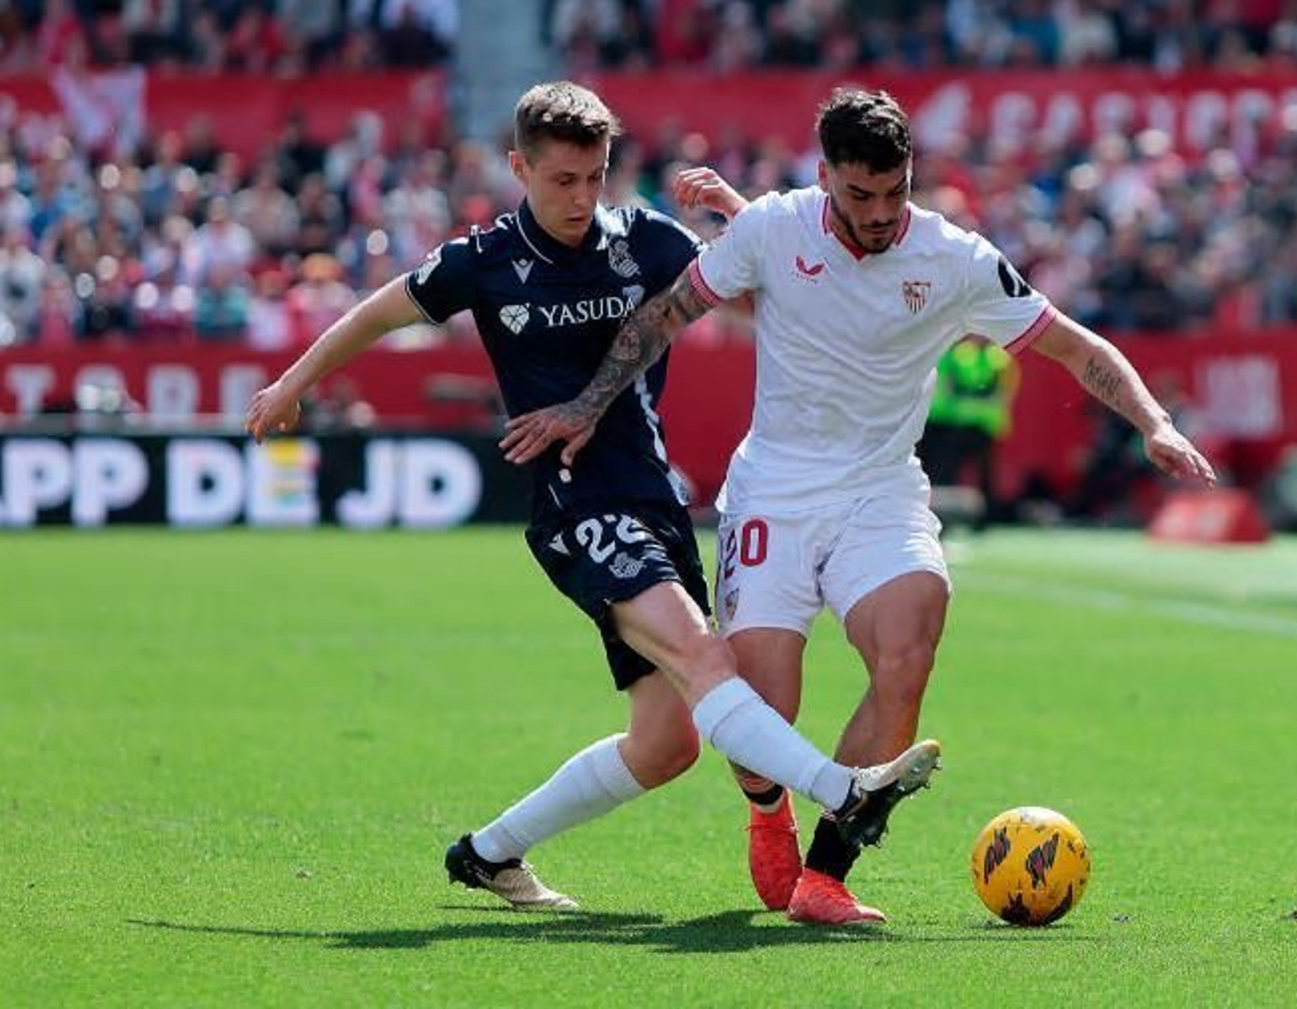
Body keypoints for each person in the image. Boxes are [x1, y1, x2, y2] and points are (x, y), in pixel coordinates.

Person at [501, 88, 1215, 923]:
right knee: (762, 711)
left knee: (910, 641)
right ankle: (769, 811)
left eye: (895, 192)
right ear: (825, 179)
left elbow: (1073, 344)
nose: (880, 214)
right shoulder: (773, 227)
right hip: (774, 488)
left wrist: (1154, 423)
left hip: (881, 490)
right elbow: (666, 315)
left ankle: (826, 872)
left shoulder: (955, 259)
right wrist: (588, 404)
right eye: (859, 195)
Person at [243, 81, 941, 915]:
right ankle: (846, 788)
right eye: (561, 179)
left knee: (666, 742)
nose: (580, 198)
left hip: (654, 500)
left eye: (595, 176)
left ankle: (489, 853)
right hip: (578, 508)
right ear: (519, 169)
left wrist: (746, 213)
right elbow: (379, 313)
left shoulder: (644, 238)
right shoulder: (486, 260)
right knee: (704, 657)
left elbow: (782, 291)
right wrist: (291, 382)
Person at [919, 334, 1019, 531]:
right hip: (948, 424)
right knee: (946, 474)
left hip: (967, 426)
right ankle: (946, 518)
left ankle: (976, 519)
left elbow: (996, 393)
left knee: (954, 474)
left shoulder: (989, 359)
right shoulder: (962, 356)